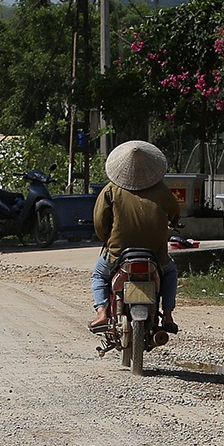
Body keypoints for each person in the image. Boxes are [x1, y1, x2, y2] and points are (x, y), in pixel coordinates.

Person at [89, 141, 182, 333]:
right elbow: (175, 212)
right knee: (170, 273)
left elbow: (99, 223)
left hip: (118, 253)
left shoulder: (111, 190)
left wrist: (106, 238)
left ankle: (101, 313)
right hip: (156, 253)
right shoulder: (162, 190)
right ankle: (168, 315)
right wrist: (172, 223)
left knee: (99, 275)